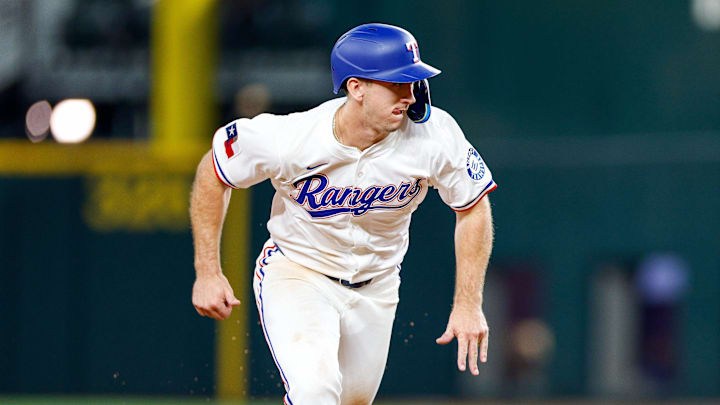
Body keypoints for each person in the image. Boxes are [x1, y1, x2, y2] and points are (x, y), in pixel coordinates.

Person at [190, 23, 497, 405]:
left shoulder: (434, 136)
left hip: (378, 282)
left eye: (413, 82)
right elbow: (214, 169)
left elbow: (473, 208)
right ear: (356, 88)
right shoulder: (291, 139)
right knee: (316, 392)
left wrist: (468, 303)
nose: (408, 95)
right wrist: (207, 271)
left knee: (352, 401)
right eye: (396, 84)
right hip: (299, 271)